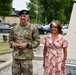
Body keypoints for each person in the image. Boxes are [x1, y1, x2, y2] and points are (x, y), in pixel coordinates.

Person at [9, 10, 40, 75]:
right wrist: (15, 44)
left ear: (28, 17)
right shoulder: (14, 28)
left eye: (24, 16)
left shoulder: (33, 28)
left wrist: (27, 45)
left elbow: (37, 41)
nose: (22, 17)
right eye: (21, 16)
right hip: (16, 58)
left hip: (27, 58)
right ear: (19, 17)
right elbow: (10, 42)